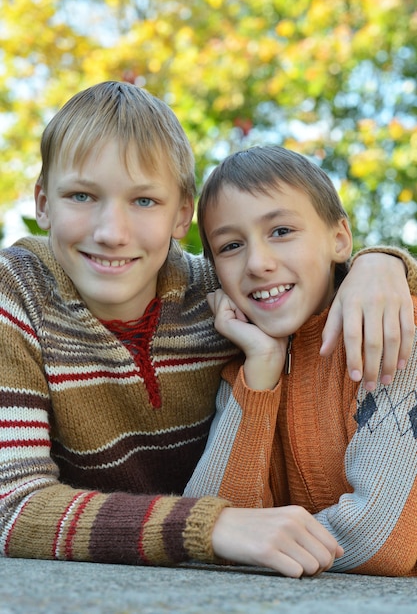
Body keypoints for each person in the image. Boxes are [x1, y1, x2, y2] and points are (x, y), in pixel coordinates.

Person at [0, 83, 415, 569]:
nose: (111, 232)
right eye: (81, 195)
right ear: (43, 203)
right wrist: (207, 526)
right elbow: (11, 506)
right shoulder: (18, 295)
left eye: (144, 201)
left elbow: (316, 265)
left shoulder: (220, 295)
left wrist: (384, 264)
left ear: (181, 216)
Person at [184, 144, 417, 577]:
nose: (258, 262)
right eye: (231, 245)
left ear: (339, 238)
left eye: (281, 231)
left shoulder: (394, 327)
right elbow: (208, 519)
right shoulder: (250, 365)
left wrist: (254, 544)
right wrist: (261, 370)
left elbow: (381, 539)